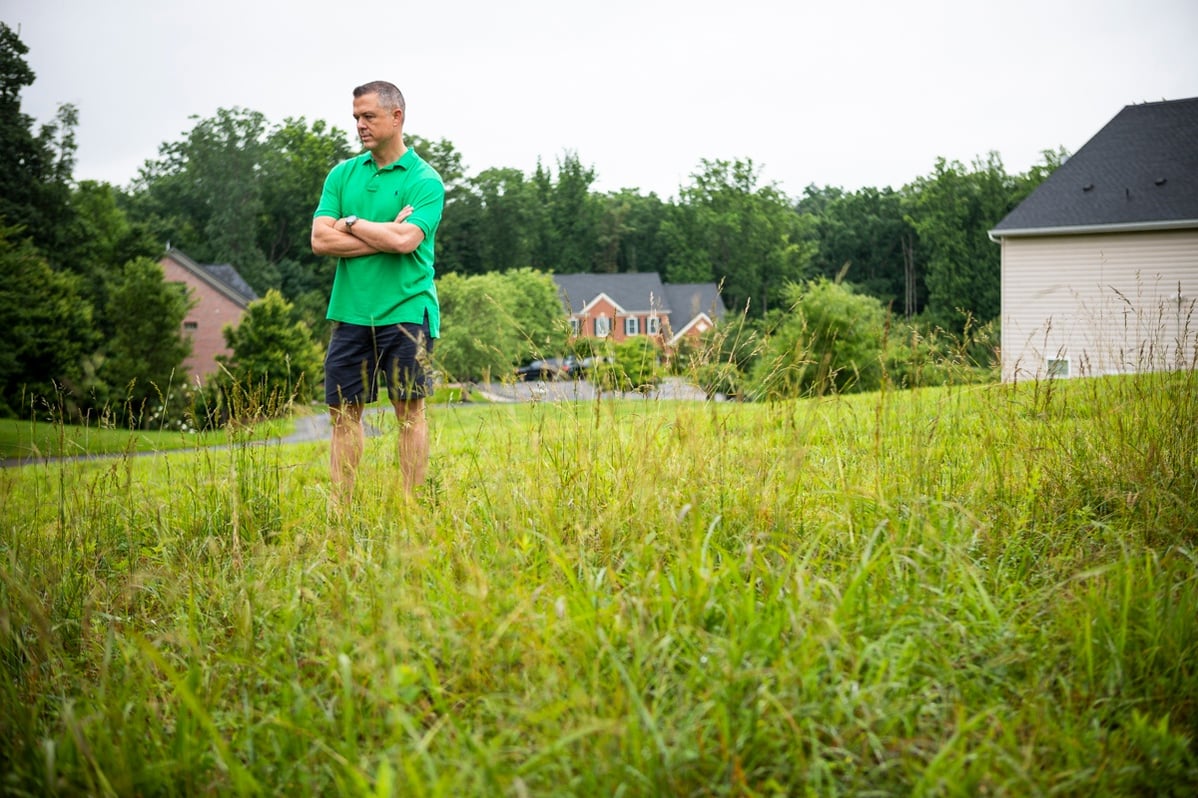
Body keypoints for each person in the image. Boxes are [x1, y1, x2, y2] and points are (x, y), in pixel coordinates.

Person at [311, 80, 445, 504]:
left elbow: (406, 242)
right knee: (343, 417)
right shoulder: (342, 174)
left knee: (410, 413)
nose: (360, 125)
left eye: (368, 116)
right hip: (351, 312)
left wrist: (348, 223)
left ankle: (410, 507)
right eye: (356, 118)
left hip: (407, 310)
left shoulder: (425, 180)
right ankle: (342, 509)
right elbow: (319, 240)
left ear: (396, 117)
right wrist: (383, 230)